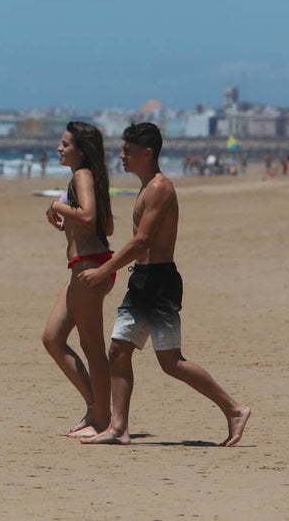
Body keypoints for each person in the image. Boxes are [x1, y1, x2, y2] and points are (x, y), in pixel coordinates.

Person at [77, 122, 251, 447]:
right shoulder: (146, 187)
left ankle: (234, 409)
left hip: (159, 283)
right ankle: (118, 428)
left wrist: (103, 271)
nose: (121, 156)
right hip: (142, 280)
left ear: (147, 153)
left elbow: (142, 241)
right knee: (118, 350)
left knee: (171, 362)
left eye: (127, 151)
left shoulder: (160, 188)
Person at [42, 122, 116, 438]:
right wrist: (68, 227)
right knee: (52, 338)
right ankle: (94, 407)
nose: (59, 148)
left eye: (65, 144)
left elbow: (86, 215)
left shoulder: (82, 176)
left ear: (81, 151)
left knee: (92, 347)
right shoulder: (89, 178)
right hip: (82, 265)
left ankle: (101, 419)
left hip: (90, 268)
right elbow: (105, 225)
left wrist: (57, 206)